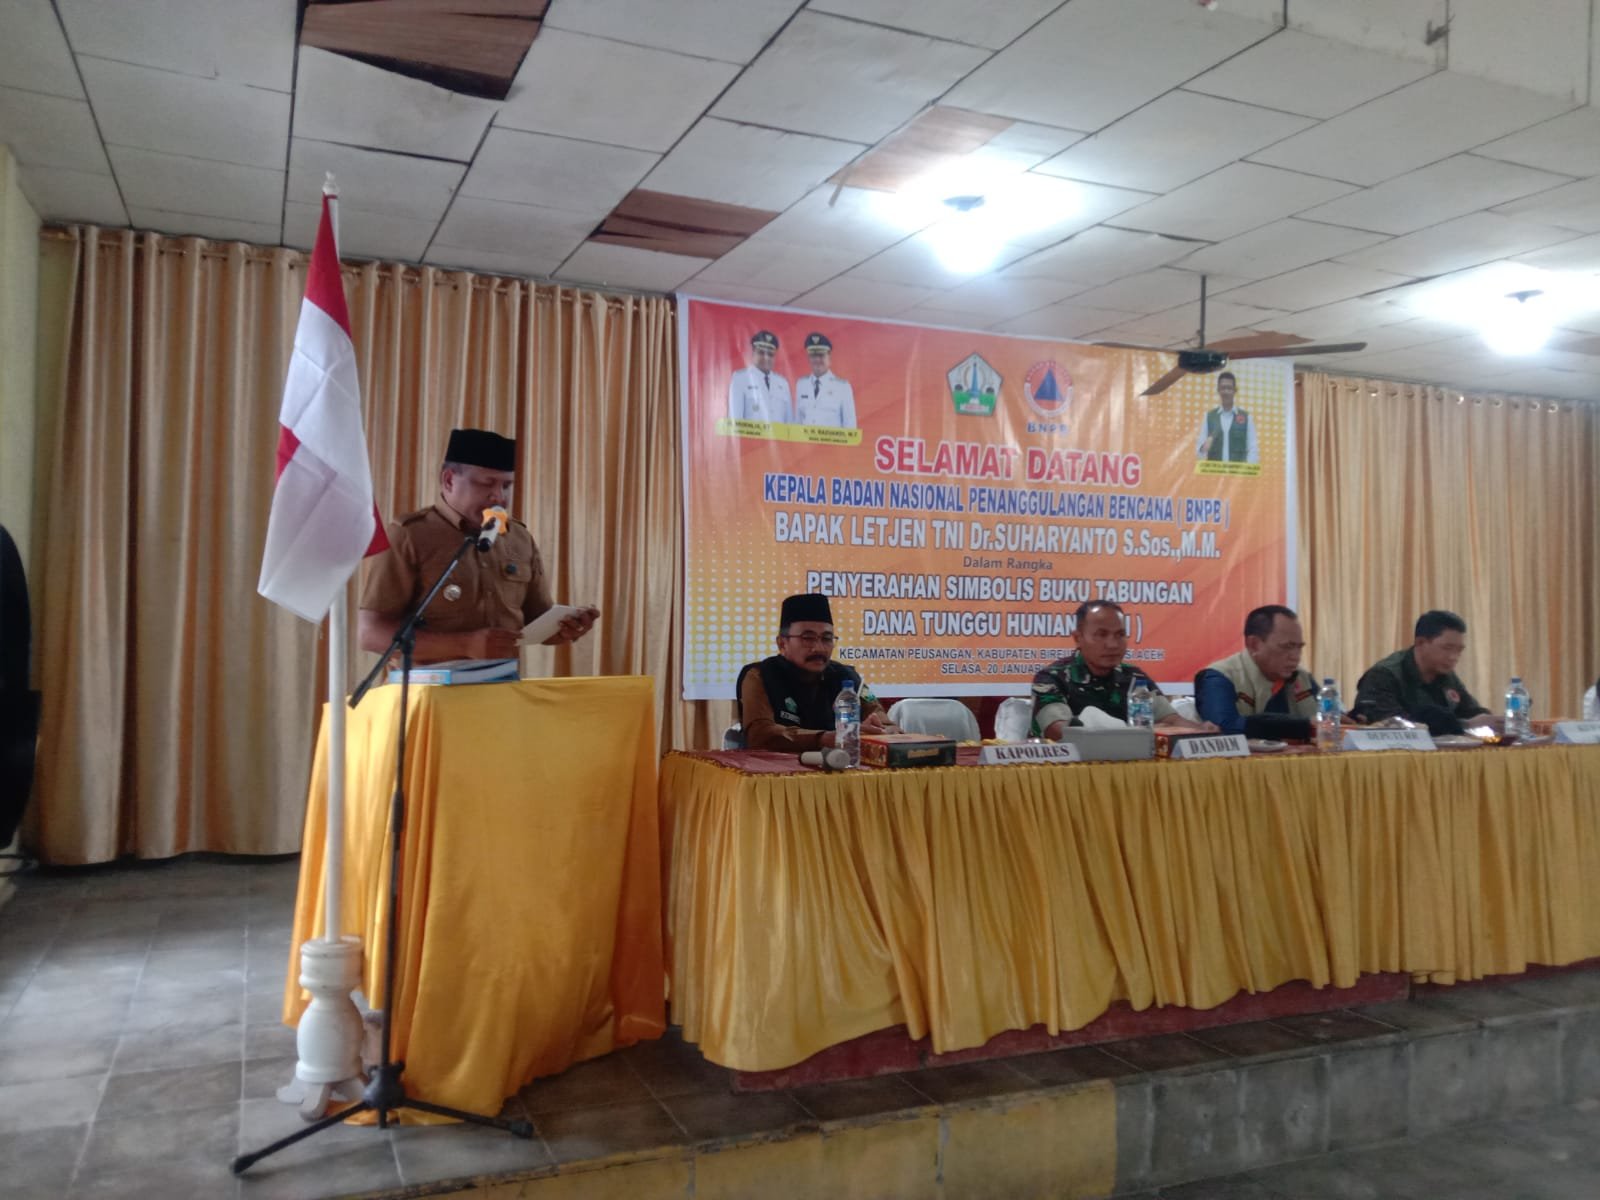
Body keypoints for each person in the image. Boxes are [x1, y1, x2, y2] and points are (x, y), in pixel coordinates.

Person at [359, 428, 598, 663]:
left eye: (506, 486)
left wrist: (564, 628)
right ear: (449, 480)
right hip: (429, 684)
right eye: (486, 484)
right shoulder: (410, 535)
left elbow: (535, 620)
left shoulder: (518, 537)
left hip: (501, 682)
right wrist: (464, 644)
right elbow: (371, 633)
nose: (499, 497)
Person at [1030, 600, 1218, 738]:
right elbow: (1059, 731)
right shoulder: (1051, 678)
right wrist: (1131, 734)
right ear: (1078, 638)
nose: (1113, 644)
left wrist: (1201, 730)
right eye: (1101, 635)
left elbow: (1170, 720)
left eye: (1120, 635)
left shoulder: (1134, 677)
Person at [736, 592, 892, 751]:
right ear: (782, 643)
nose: (819, 648)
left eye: (827, 638)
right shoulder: (760, 675)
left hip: (842, 763)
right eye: (808, 638)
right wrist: (824, 738)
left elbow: (888, 725)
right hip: (778, 765)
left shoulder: (846, 677)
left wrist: (878, 730)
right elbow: (760, 734)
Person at [1350, 610, 1494, 732]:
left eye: (1459, 650)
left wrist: (1490, 721)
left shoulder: (1445, 673)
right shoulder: (1383, 675)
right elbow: (1394, 725)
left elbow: (1469, 710)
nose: (1454, 657)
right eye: (1447, 648)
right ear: (1420, 642)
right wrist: (1465, 725)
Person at [1194, 604, 1319, 737]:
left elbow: (1329, 718)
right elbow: (1224, 727)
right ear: (1254, 644)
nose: (1296, 656)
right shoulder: (1218, 676)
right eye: (1287, 646)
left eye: (1299, 647)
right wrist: (1305, 725)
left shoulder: (1302, 677)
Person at [727, 330, 792, 423]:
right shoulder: (740, 379)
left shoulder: (783, 383)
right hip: (750, 433)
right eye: (761, 352)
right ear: (753, 352)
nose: (766, 358)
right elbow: (735, 421)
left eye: (770, 354)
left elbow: (789, 423)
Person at [794, 332, 856, 428]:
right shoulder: (801, 384)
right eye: (813, 356)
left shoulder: (842, 387)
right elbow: (797, 423)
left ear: (829, 357)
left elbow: (850, 425)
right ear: (808, 358)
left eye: (821, 355)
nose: (817, 360)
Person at [1196, 371, 1258, 464]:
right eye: (1223, 388)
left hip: (1238, 472)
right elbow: (1200, 451)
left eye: (1229, 388)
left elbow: (1253, 448)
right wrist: (1204, 447)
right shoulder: (1209, 417)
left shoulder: (1247, 418)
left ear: (1235, 390)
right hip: (1214, 471)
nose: (1226, 392)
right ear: (1218, 390)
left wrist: (1246, 470)